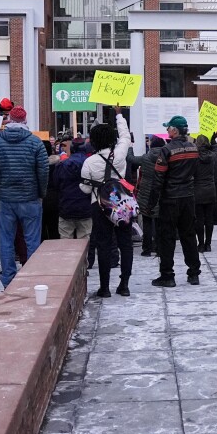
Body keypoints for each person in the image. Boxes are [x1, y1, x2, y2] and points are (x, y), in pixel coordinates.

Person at [0, 105, 49, 288]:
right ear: (25, 121)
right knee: (32, 240)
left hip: (6, 199)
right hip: (30, 198)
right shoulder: (35, 142)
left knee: (6, 240)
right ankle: (32, 277)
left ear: (9, 120)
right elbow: (43, 171)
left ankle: (8, 278)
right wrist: (41, 193)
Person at [80, 106, 132, 298]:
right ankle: (124, 285)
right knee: (125, 243)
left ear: (93, 141)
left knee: (103, 244)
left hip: (99, 205)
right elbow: (125, 135)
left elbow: (85, 188)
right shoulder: (119, 154)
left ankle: (104, 287)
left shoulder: (89, 162)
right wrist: (119, 114)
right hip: (121, 202)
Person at [149, 115, 201, 288]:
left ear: (175, 130)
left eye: (168, 128)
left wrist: (151, 202)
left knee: (167, 237)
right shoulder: (194, 148)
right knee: (188, 235)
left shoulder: (167, 150)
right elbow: (197, 173)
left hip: (170, 199)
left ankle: (167, 275)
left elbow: (158, 179)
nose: (166, 131)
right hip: (188, 197)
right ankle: (194, 273)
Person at [53, 138, 93, 243]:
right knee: (84, 242)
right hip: (85, 207)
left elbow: (56, 185)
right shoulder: (90, 164)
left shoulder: (62, 165)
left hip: (66, 206)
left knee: (65, 242)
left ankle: (67, 260)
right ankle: (84, 259)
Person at [134, 137, 165, 257]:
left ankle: (146, 249)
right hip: (159, 193)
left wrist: (131, 146)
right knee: (158, 223)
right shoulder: (165, 158)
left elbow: (131, 159)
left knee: (147, 221)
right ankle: (158, 247)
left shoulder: (145, 157)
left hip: (145, 194)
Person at [193, 135, 216, 252]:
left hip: (197, 190)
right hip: (210, 189)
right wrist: (213, 143)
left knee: (199, 219)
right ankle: (208, 244)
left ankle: (201, 244)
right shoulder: (212, 156)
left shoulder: (194, 157)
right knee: (209, 219)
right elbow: (215, 150)